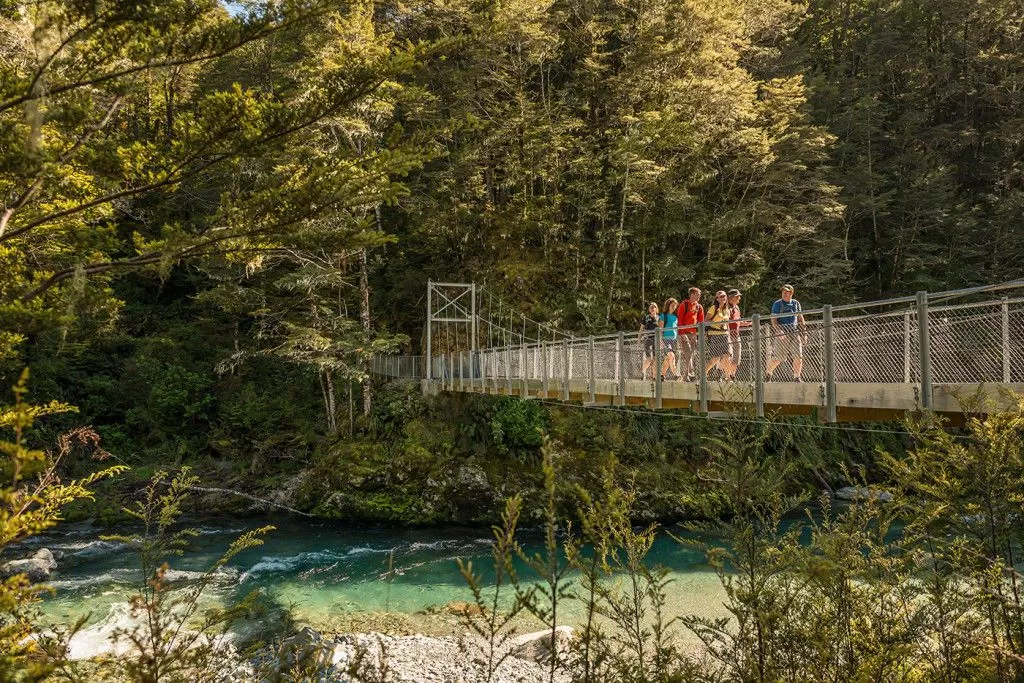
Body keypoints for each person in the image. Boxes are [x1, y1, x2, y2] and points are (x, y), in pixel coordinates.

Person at [766, 284, 806, 381]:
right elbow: (773, 319)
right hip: (782, 334)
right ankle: (768, 373)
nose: (784, 293)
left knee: (798, 355)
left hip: (794, 332)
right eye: (783, 292)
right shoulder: (777, 304)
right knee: (778, 358)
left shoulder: (796, 303)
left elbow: (800, 318)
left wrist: (804, 333)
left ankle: (797, 376)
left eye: (786, 292)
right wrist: (779, 331)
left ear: (791, 293)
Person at [677, 287, 703, 380]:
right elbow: (679, 320)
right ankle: (691, 373)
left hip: (693, 334)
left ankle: (686, 375)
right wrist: (682, 333)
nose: (699, 296)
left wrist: (698, 335)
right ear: (692, 294)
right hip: (684, 333)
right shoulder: (684, 304)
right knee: (688, 353)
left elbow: (700, 322)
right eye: (697, 294)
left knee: (692, 353)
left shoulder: (699, 307)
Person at [705, 291, 731, 380]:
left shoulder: (727, 309)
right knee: (715, 358)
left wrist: (729, 334)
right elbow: (706, 321)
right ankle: (704, 372)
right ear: (717, 299)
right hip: (715, 334)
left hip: (725, 334)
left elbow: (727, 324)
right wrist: (716, 323)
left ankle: (719, 373)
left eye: (724, 296)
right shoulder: (713, 308)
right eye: (720, 296)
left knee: (727, 355)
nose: (723, 298)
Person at [723, 289, 747, 381]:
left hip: (736, 336)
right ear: (731, 297)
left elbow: (738, 321)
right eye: (737, 297)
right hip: (727, 336)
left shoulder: (736, 307)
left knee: (737, 358)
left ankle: (732, 375)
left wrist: (748, 323)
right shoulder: (725, 307)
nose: (739, 298)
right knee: (728, 357)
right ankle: (726, 376)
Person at [659, 298, 681, 380]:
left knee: (668, 359)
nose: (674, 307)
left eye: (675, 306)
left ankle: (662, 375)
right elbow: (660, 330)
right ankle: (676, 374)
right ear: (668, 306)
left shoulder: (675, 317)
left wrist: (678, 341)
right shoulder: (663, 316)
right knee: (671, 356)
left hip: (674, 340)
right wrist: (661, 341)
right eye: (672, 305)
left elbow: (676, 329)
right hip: (665, 339)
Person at [639, 302, 659, 380]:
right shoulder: (646, 317)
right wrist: (639, 338)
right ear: (649, 309)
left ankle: (654, 376)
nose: (652, 308)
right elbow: (641, 329)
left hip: (656, 340)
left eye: (654, 307)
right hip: (647, 339)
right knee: (648, 358)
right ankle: (643, 371)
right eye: (651, 307)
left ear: (656, 309)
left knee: (655, 359)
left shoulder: (659, 318)